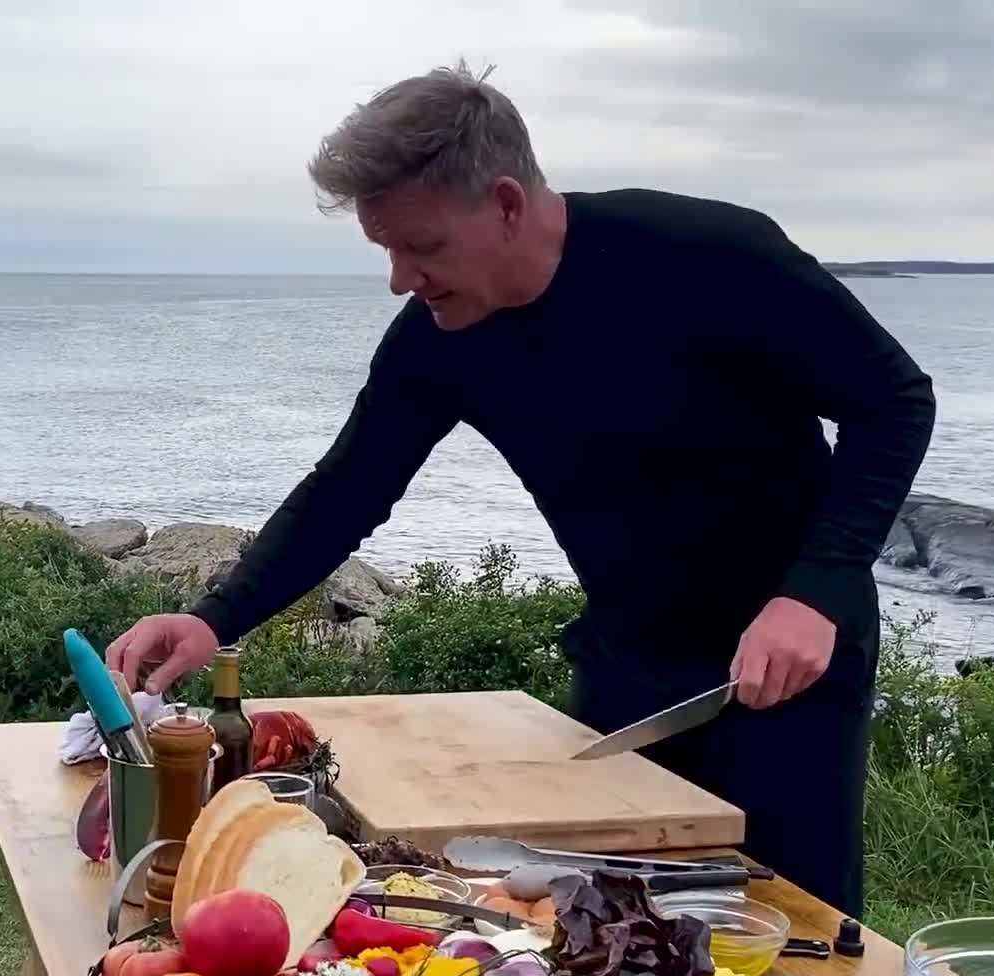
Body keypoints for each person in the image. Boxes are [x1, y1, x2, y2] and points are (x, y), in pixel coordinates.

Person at [105, 61, 934, 916]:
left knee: (795, 932)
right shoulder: (439, 337)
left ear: (505, 204)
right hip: (625, 670)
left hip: (786, 669)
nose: (400, 277)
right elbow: (346, 490)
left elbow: (894, 402)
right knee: (608, 929)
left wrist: (818, 590)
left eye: (421, 247)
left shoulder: (712, 256)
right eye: (387, 251)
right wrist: (214, 618)